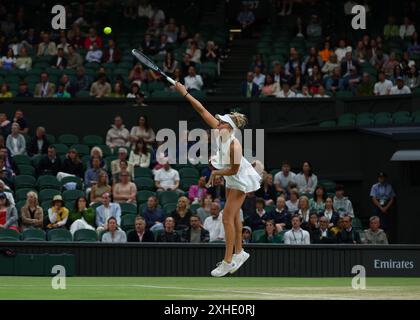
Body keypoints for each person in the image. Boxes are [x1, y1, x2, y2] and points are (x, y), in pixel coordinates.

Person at [175, 82, 261, 276]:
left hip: (240, 179)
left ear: (228, 128)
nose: (217, 123)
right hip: (232, 175)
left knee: (226, 217)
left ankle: (228, 261)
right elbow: (202, 110)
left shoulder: (234, 146)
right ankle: (240, 252)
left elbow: (233, 170)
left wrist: (215, 173)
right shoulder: (220, 131)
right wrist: (185, 93)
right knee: (233, 215)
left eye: (221, 122)